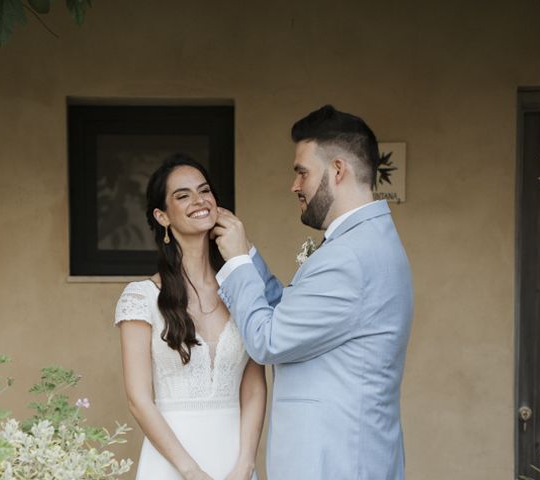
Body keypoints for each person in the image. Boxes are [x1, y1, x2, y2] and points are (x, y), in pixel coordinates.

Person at [213, 105, 413, 480]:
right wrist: (248, 255)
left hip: (335, 463)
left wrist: (238, 263)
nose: (294, 186)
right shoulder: (368, 242)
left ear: (338, 170)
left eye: (302, 172)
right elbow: (294, 316)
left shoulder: (351, 257)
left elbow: (268, 339)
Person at [115, 154, 266, 480]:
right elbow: (139, 399)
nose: (199, 201)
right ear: (162, 216)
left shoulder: (241, 288)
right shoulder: (140, 298)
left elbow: (253, 387)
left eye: (205, 190)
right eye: (182, 195)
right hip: (172, 463)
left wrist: (246, 464)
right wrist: (191, 472)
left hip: (235, 461)